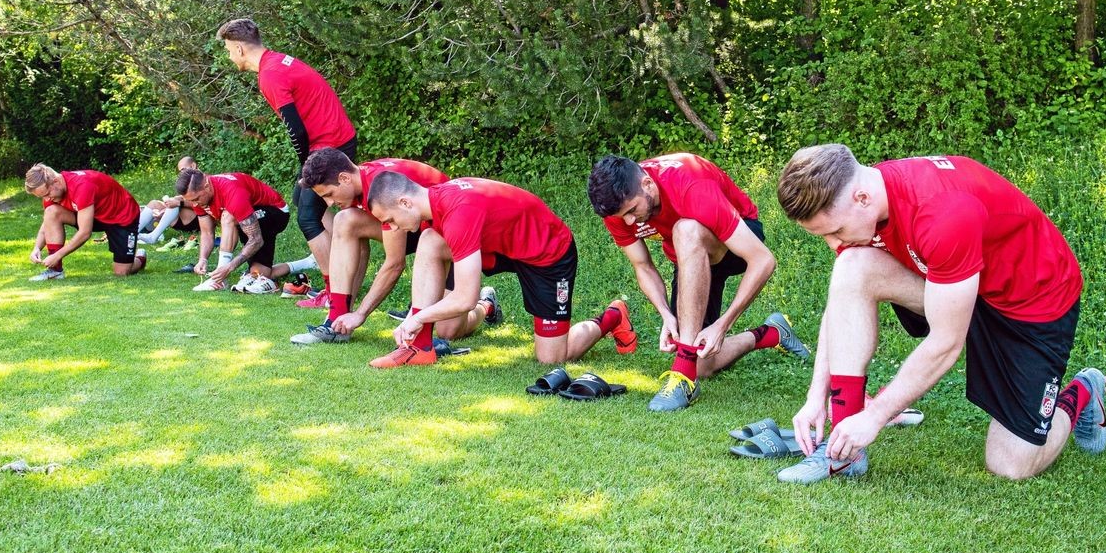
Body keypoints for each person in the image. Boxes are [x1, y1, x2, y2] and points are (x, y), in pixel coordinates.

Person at [773, 145, 1106, 484]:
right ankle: (843, 454)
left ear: (861, 198)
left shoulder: (942, 213)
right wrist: (817, 394)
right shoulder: (867, 196)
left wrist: (874, 417)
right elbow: (840, 302)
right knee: (851, 268)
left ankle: (1082, 392)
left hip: (1031, 303)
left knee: (1011, 465)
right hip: (957, 286)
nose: (833, 242)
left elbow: (947, 344)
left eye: (836, 231)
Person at [586, 154, 809, 412]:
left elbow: (763, 260)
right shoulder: (618, 205)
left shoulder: (691, 185)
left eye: (632, 211)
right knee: (701, 362)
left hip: (739, 239)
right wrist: (666, 315)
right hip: (692, 257)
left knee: (686, 229)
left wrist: (723, 325)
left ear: (647, 184)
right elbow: (643, 266)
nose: (628, 221)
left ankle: (682, 378)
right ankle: (772, 333)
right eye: (622, 216)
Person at [365, 173, 637, 369]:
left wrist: (416, 317)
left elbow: (463, 298)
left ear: (404, 202)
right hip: (501, 247)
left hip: (547, 254)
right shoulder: (436, 204)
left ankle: (612, 317)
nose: (395, 228)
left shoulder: (458, 211)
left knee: (551, 359)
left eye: (390, 221)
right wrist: (420, 320)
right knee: (430, 243)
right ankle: (419, 348)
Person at [288, 148, 499, 344]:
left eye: (329, 195)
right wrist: (346, 315)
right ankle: (335, 323)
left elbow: (394, 264)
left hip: (448, 235)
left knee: (449, 330)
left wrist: (361, 313)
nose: (329, 203)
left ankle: (486, 305)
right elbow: (358, 251)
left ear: (344, 178)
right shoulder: (359, 181)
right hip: (416, 228)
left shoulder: (380, 187)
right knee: (346, 220)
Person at [216, 18, 357, 307]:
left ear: (240, 48)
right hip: (334, 139)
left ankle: (335, 292)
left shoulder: (270, 75)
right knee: (306, 203)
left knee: (307, 216)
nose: (229, 57)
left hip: (330, 143)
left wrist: (307, 167)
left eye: (229, 51)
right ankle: (341, 265)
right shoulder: (277, 62)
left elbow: (296, 128)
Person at [174, 168, 315, 292]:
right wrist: (202, 259)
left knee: (228, 215)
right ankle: (309, 262)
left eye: (196, 199)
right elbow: (207, 232)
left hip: (275, 212)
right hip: (246, 218)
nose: (194, 204)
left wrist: (229, 267)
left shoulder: (232, 192)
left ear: (206, 185)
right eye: (191, 200)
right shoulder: (198, 197)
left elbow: (256, 239)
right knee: (262, 274)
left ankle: (219, 280)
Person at [24, 164, 147, 279]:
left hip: (121, 216)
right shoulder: (53, 193)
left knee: (121, 272)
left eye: (47, 194)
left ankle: (140, 258)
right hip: (93, 214)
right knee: (51, 211)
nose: (46, 199)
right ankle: (55, 271)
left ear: (56, 181)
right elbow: (47, 222)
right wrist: (37, 248)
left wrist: (57, 255)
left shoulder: (82, 186)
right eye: (42, 197)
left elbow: (85, 233)